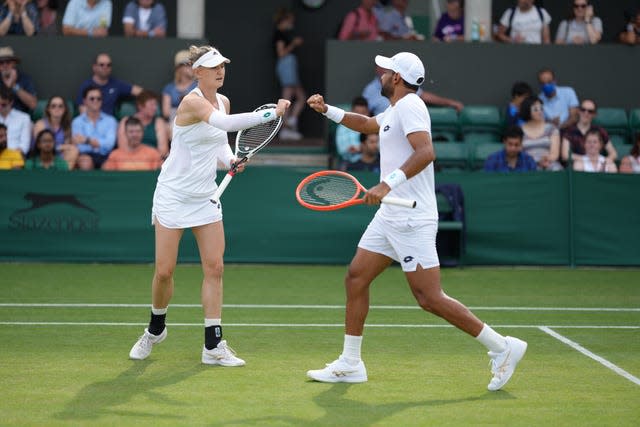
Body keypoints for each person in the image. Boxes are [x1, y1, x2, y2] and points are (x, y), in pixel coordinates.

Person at [305, 52, 527, 390]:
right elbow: (367, 125)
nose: (380, 73)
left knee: (429, 298)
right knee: (356, 277)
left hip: (412, 219)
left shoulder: (411, 107)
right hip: (389, 216)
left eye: (386, 70)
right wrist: (327, 111)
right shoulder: (396, 109)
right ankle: (351, 363)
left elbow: (426, 153)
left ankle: (502, 347)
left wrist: (385, 183)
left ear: (396, 78)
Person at [128, 45, 290, 365]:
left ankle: (213, 346)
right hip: (173, 195)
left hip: (205, 196)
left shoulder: (224, 100)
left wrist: (230, 159)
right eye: (214, 66)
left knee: (215, 268)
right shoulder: (191, 102)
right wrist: (272, 113)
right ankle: (155, 328)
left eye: (223, 66)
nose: (221, 71)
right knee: (164, 271)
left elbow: (219, 141)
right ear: (197, 72)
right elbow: (224, 125)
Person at [362, 65, 464, 116]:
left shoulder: (410, 104)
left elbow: (426, 152)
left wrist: (450, 103)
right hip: (381, 132)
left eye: (386, 68)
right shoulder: (370, 90)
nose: (383, 72)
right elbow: (365, 116)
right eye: (380, 68)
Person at [272, 7, 306, 140]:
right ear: (284, 20)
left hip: (290, 64)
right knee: (287, 97)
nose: (292, 24)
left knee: (301, 97)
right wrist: (293, 44)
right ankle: (285, 127)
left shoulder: (284, 33)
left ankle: (291, 121)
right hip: (286, 64)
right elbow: (281, 54)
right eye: (290, 21)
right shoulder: (279, 34)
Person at [76, 52, 143, 116]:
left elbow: (141, 92)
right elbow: (83, 114)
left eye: (109, 65)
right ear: (94, 67)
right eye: (101, 65)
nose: (105, 67)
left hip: (110, 125)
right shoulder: (85, 86)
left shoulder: (116, 84)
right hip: (91, 125)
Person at [71, 85, 117, 169]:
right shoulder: (77, 122)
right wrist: (99, 143)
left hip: (105, 155)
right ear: (84, 101)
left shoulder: (111, 120)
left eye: (98, 98)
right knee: (85, 162)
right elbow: (80, 146)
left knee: (110, 166)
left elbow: (110, 144)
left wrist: (87, 140)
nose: (95, 101)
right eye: (92, 98)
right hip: (85, 155)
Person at [560, 99, 617, 166]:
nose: (586, 113)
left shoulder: (600, 131)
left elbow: (613, 153)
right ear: (578, 111)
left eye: (590, 111)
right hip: (576, 169)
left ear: (594, 114)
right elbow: (565, 155)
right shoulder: (569, 131)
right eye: (583, 109)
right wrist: (587, 160)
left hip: (597, 167)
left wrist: (605, 161)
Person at [116, 90, 169, 158]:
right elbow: (122, 148)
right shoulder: (125, 121)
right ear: (140, 105)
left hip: (153, 161)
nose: (155, 108)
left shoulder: (158, 122)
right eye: (151, 104)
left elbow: (163, 151)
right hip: (129, 161)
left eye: (156, 104)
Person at [32, 95, 79, 167]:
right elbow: (41, 145)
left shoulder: (67, 126)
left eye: (60, 106)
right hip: (43, 154)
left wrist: (64, 147)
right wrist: (61, 147)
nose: (57, 108)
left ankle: (63, 175)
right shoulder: (41, 124)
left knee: (74, 151)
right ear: (48, 109)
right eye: (53, 106)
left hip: (58, 155)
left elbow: (68, 145)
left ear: (65, 109)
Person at [519, 95, 562, 171]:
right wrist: (536, 162)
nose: (540, 111)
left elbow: (555, 154)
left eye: (541, 108)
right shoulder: (519, 130)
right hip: (527, 164)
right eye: (535, 109)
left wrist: (546, 159)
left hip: (549, 163)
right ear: (527, 110)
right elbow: (518, 153)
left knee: (556, 169)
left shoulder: (551, 128)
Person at [162, 50, 196, 125]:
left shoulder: (198, 86)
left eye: (193, 65)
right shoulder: (169, 88)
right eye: (188, 65)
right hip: (174, 123)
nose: (192, 67)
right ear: (179, 68)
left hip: (194, 122)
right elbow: (166, 113)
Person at [335, 96, 369, 169]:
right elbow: (341, 150)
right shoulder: (342, 127)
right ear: (351, 112)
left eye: (363, 113)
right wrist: (352, 149)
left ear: (368, 113)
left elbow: (378, 148)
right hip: (348, 161)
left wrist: (360, 148)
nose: (360, 116)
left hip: (370, 161)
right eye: (357, 113)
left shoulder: (375, 126)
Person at [0, 46, 37, 113]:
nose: (5, 65)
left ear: (14, 63)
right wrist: (7, 87)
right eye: (1, 63)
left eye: (8, 62)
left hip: (20, 119)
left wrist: (14, 85)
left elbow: (33, 105)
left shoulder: (25, 79)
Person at [0, 85, 31, 156]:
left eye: (3, 105)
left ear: (11, 102)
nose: (0, 107)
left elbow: (24, 146)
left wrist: (12, 157)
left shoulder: (24, 118)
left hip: (15, 158)